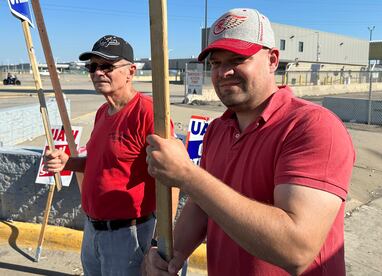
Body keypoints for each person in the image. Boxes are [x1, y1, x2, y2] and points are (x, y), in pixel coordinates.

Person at [143, 8, 354, 276]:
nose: (224, 72)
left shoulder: (312, 126)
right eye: (216, 63)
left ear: (272, 60)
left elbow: (296, 249)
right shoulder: (218, 129)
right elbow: (201, 205)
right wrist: (169, 256)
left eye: (237, 59)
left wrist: (187, 175)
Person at [43, 35, 174, 275]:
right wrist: (68, 162)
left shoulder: (148, 114)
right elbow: (101, 163)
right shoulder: (103, 111)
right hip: (92, 231)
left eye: (107, 66)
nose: (97, 73)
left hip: (129, 236)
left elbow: (172, 180)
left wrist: (160, 242)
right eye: (92, 66)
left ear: (130, 71)